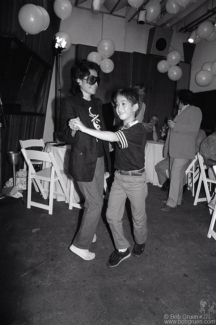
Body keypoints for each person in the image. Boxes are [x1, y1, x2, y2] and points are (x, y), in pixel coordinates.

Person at [70, 88, 147, 267]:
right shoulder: (122, 127)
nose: (119, 108)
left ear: (135, 107)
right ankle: (122, 248)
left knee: (138, 217)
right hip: (119, 179)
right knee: (111, 216)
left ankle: (141, 240)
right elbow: (115, 148)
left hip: (136, 180)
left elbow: (113, 137)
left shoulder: (138, 129)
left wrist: (84, 128)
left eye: (123, 104)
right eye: (117, 105)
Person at [60, 59, 111, 261]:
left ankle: (88, 231)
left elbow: (102, 130)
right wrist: (72, 127)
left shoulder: (97, 103)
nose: (96, 83)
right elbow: (64, 134)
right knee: (96, 202)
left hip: (99, 157)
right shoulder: (70, 102)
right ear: (79, 80)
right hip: (83, 159)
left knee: (95, 199)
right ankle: (80, 245)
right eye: (91, 78)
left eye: (97, 79)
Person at [161, 89, 202, 212]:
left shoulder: (195, 110)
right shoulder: (181, 111)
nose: (176, 100)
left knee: (175, 176)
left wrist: (175, 126)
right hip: (176, 149)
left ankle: (171, 203)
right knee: (176, 176)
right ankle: (176, 200)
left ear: (182, 98)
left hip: (183, 150)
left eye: (178, 98)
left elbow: (193, 129)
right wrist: (171, 127)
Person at [199, 127, 216, 209]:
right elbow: (206, 161)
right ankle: (214, 201)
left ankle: (214, 201)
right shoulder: (207, 141)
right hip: (213, 170)